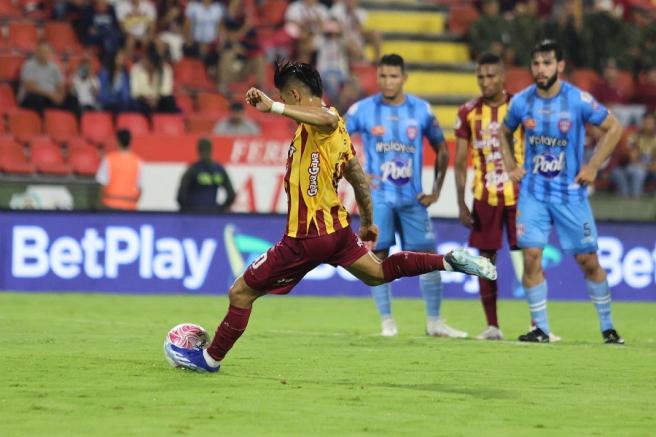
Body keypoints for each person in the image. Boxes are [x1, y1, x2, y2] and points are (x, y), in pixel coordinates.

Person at [165, 60, 497, 372]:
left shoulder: (327, 122)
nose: (284, 103)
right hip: (338, 232)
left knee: (240, 292)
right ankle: (447, 261)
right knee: (377, 273)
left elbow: (326, 120)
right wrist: (369, 221)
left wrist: (274, 108)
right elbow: (359, 178)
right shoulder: (336, 134)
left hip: (305, 237)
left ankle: (209, 359)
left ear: (295, 95)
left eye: (285, 97)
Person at [499, 40, 625, 344]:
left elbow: (615, 127)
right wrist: (510, 164)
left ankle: (608, 327)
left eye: (547, 63)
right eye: (536, 63)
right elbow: (504, 131)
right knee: (531, 256)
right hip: (534, 194)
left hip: (570, 195)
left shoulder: (577, 100)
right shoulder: (521, 102)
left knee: (588, 261)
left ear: (560, 65)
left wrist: (593, 166)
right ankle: (540, 328)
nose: (540, 69)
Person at [346, 54, 466, 338]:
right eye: (383, 76)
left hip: (413, 200)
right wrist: (356, 173)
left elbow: (442, 149)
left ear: (404, 78)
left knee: (428, 258)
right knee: (378, 257)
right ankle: (387, 322)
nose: (388, 81)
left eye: (393, 76)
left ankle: (435, 322)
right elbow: (335, 139)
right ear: (377, 77)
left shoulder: (421, 110)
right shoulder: (362, 109)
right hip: (379, 198)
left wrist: (436, 190)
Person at [454, 52, 525, 341]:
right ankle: (492, 326)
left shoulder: (520, 106)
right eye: (480, 77)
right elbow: (460, 161)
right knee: (485, 261)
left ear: (503, 77)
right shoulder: (468, 112)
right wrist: (461, 203)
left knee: (529, 256)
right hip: (484, 196)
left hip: (520, 196)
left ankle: (539, 323)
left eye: (491, 76)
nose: (485, 82)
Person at [176, 138, 236, 213]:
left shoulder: (192, 170)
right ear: (211, 150)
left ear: (198, 150)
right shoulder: (219, 170)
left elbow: (181, 196)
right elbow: (231, 195)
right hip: (213, 214)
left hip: (194, 213)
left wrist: (187, 210)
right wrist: (221, 210)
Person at [96, 129, 143, 210]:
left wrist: (101, 202)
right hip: (130, 206)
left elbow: (102, 185)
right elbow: (140, 188)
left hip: (110, 205)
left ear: (117, 141)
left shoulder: (108, 159)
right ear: (130, 141)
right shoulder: (138, 162)